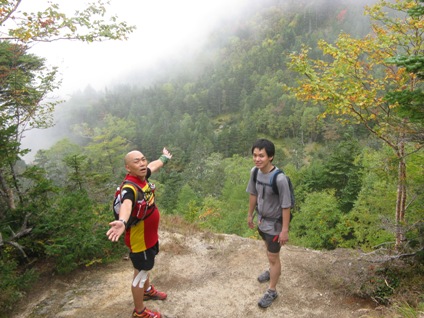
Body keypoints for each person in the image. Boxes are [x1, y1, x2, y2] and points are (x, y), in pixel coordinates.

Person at [107, 147, 172, 318]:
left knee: (145, 267)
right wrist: (122, 221)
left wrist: (164, 157)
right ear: (128, 168)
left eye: (143, 159)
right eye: (137, 161)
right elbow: (127, 204)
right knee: (140, 271)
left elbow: (154, 165)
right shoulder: (129, 188)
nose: (142, 163)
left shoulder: (142, 177)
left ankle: (147, 290)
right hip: (139, 239)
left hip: (149, 236)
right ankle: (139, 312)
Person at [246, 138, 292, 308]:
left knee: (273, 257)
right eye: (255, 155)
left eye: (262, 156)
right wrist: (250, 214)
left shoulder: (279, 179)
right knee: (269, 251)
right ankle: (272, 270)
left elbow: (286, 206)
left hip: (275, 226)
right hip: (262, 221)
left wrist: (284, 230)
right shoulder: (255, 172)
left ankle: (272, 290)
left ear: (271, 157)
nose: (257, 159)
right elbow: (253, 194)